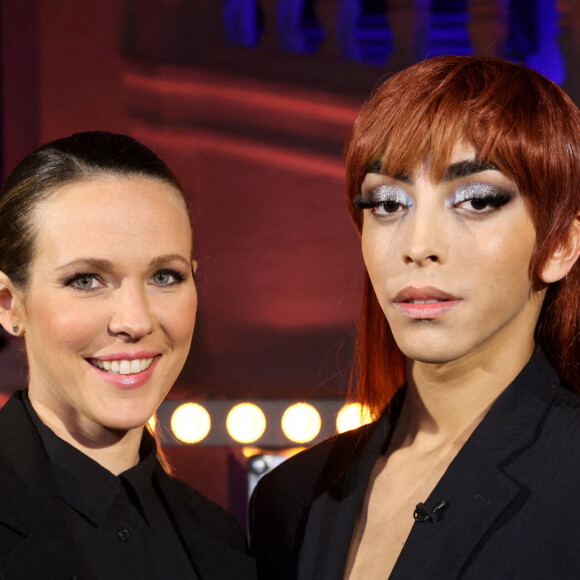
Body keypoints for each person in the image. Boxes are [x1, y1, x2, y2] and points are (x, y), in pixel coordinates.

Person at [250, 56, 580, 579]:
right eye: (387, 203)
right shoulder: (290, 498)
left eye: (475, 200)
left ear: (561, 243)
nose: (418, 246)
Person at [0, 132, 256, 579]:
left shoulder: (221, 542)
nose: (135, 322)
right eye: (86, 280)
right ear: (9, 303)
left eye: (164, 276)